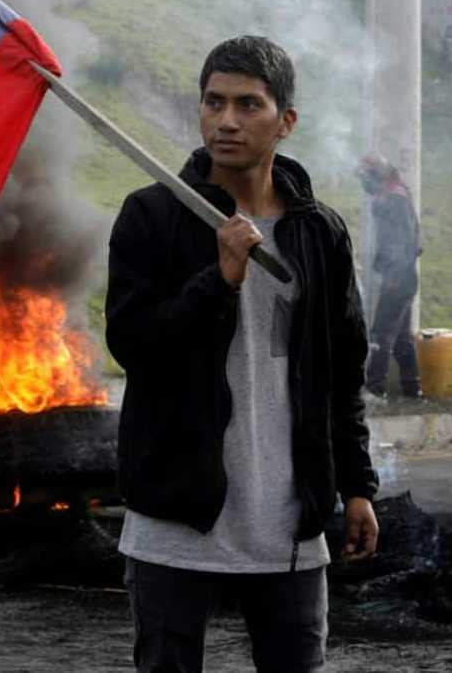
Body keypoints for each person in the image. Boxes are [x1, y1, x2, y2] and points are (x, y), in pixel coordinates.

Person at [106, 36, 379, 673]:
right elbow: (136, 347)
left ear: (285, 121)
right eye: (214, 102)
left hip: (289, 524)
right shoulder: (153, 216)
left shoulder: (320, 231)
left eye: (248, 105)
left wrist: (357, 487)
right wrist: (218, 280)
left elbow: (342, 371)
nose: (227, 120)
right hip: (177, 520)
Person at [357, 154, 423, 401]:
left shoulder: (393, 199)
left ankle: (375, 389)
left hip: (399, 275)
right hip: (403, 274)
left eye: (365, 176)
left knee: (380, 334)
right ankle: (413, 391)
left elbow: (401, 241)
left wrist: (393, 273)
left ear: (376, 176)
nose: (363, 182)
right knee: (402, 337)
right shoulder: (393, 195)